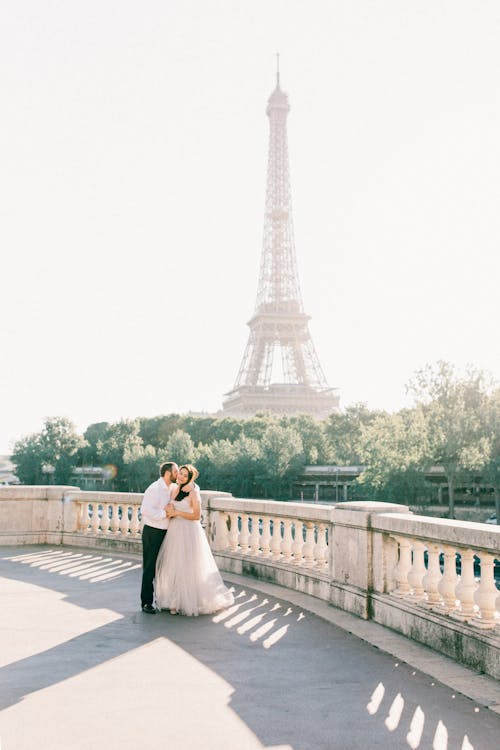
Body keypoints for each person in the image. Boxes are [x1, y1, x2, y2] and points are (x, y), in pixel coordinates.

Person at [155, 464, 235, 616]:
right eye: (180, 474)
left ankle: (190, 601)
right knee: (174, 565)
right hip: (174, 531)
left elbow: (196, 516)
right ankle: (174, 601)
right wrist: (169, 511)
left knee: (188, 566)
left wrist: (177, 512)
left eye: (185, 475)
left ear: (190, 478)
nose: (181, 477)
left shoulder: (193, 492)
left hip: (188, 531)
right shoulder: (174, 489)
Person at [139, 461, 178, 613]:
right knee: (150, 567)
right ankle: (146, 603)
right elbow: (146, 510)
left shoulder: (172, 488)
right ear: (168, 473)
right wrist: (165, 513)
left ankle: (162, 600)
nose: (177, 474)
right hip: (153, 531)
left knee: (164, 567)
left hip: (166, 532)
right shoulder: (154, 489)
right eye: (175, 472)